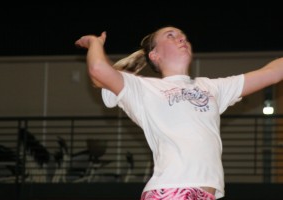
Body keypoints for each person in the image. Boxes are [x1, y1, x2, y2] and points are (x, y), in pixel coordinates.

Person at [75, 26, 283, 200]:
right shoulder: (143, 89)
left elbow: (271, 73)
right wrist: (95, 43)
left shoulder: (212, 88)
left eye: (182, 36)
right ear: (154, 54)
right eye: (170, 36)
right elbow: (98, 70)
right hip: (172, 190)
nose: (181, 38)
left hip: (207, 194)